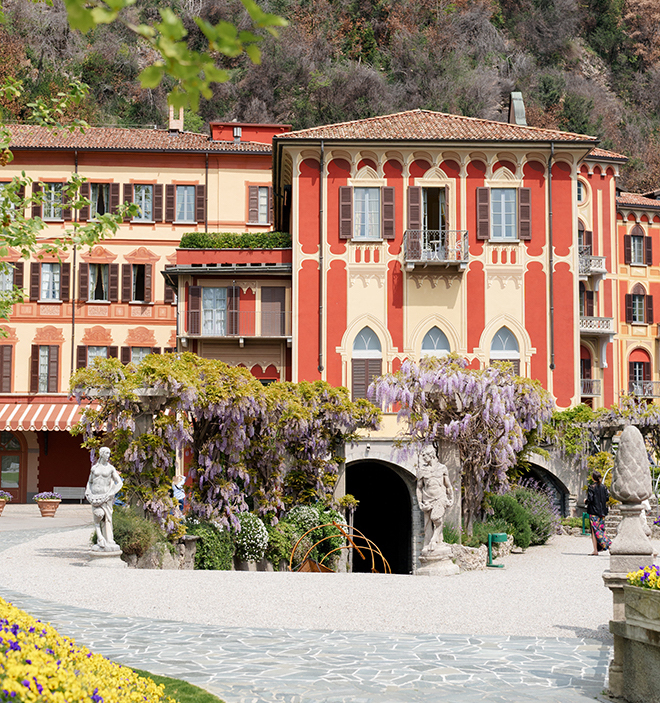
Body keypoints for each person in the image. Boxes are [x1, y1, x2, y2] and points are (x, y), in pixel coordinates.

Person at [416, 446, 454, 555]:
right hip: (427, 498)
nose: (423, 457)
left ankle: (434, 539)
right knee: (427, 524)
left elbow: (448, 485)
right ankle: (429, 544)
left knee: (436, 518)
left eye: (425, 455)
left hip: (440, 497)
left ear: (431, 454)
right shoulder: (422, 470)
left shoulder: (442, 468)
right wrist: (420, 503)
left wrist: (451, 498)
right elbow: (419, 488)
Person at [85, 447, 123, 552]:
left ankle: (108, 539)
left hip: (106, 497)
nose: (108, 455)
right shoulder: (94, 468)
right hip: (94, 496)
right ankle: (100, 537)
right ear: (101, 454)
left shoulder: (111, 468)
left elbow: (119, 482)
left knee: (107, 518)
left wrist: (112, 493)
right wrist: (87, 491)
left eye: (109, 453)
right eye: (106, 453)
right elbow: (90, 481)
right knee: (98, 515)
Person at [585, 470, 611, 555]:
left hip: (593, 511)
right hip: (602, 512)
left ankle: (608, 545)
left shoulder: (591, 487)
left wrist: (585, 501)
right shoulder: (604, 487)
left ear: (593, 478)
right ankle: (596, 550)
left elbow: (590, 499)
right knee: (601, 529)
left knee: (595, 530)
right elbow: (607, 498)